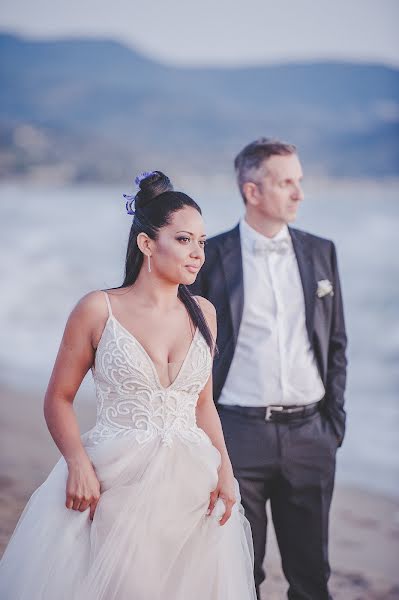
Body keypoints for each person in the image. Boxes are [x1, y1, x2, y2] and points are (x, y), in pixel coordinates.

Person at [0, 171, 256, 600]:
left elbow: (203, 405)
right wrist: (78, 463)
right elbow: (58, 398)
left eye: (202, 242)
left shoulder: (204, 313)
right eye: (184, 240)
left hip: (193, 484)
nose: (198, 254)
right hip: (116, 481)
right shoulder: (97, 309)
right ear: (146, 244)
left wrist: (226, 474)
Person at [190, 138, 347, 600]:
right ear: (252, 191)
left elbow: (336, 342)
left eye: (299, 182)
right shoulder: (210, 257)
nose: (299, 193)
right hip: (238, 434)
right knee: (241, 572)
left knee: (312, 577)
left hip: (311, 435)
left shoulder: (322, 251)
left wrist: (332, 425)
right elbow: (190, 348)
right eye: (286, 183)